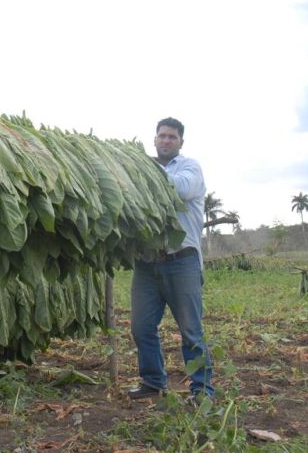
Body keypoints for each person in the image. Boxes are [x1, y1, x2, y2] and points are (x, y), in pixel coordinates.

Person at [128, 117, 214, 402]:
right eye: (162, 136)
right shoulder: (141, 168)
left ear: (181, 142)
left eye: (172, 137)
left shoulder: (190, 167)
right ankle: (153, 382)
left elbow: (181, 189)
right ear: (154, 139)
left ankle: (201, 391)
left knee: (191, 331)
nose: (166, 140)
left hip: (182, 262)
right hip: (146, 263)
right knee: (141, 328)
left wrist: (141, 169)